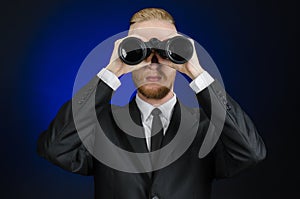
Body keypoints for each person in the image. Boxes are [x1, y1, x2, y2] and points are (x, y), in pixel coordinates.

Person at [37, 8, 266, 199]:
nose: (153, 61)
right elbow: (55, 148)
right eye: (140, 49)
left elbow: (250, 152)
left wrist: (196, 71)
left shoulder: (207, 128)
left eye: (167, 49)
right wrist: (111, 71)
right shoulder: (103, 124)